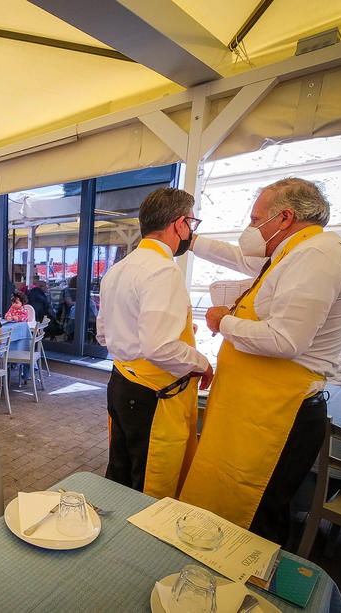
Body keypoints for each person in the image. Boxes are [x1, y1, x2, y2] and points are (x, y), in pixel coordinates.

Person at [180, 178, 341, 544]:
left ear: (284, 218)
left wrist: (223, 321)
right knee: (232, 498)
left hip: (280, 412)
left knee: (259, 513)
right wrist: (191, 239)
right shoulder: (293, 252)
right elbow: (240, 257)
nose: (250, 228)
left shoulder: (318, 256)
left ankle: (252, 575)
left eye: (254, 219)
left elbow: (286, 339)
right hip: (256, 407)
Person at [95, 187, 213, 499]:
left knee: (119, 471)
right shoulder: (163, 270)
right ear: (179, 224)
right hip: (150, 395)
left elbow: (103, 334)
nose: (190, 231)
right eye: (191, 223)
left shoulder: (117, 270)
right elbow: (159, 347)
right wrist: (202, 363)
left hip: (120, 382)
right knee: (147, 482)